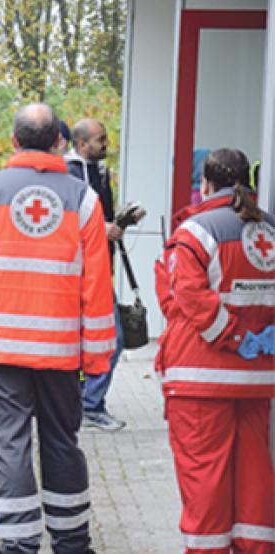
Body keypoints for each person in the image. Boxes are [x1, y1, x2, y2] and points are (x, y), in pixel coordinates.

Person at [0, 103, 115, 554]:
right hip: (60, 351)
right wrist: (98, 356)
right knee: (61, 442)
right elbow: (96, 286)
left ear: (14, 142)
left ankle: (19, 545)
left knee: (10, 445)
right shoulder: (84, 198)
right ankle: (72, 541)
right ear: (59, 142)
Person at [154, 147, 274, 553]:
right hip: (258, 380)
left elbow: (183, 299)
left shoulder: (194, 232)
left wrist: (235, 337)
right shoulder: (269, 230)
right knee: (254, 479)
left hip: (201, 379)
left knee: (205, 480)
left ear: (203, 184)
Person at [66, 118, 127, 431]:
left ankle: (85, 403)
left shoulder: (99, 174)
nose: (106, 144)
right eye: (100, 140)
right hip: (78, 274)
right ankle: (89, 404)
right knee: (111, 339)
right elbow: (66, 222)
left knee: (106, 340)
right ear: (82, 144)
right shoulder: (67, 177)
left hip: (98, 271)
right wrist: (101, 228)